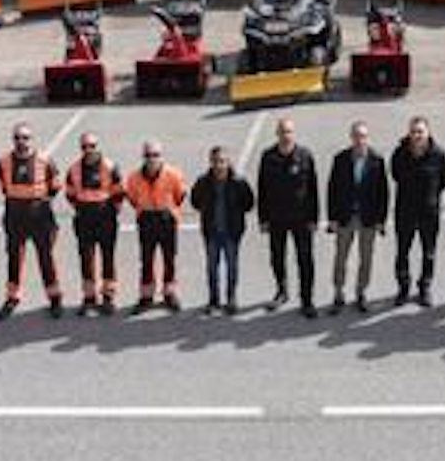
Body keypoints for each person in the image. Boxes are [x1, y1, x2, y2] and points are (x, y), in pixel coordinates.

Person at [0, 121, 64, 320]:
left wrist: (41, 201)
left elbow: (55, 185)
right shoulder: (4, 161)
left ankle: (54, 297)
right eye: (17, 137)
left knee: (45, 257)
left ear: (31, 139)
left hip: (39, 215)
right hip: (15, 214)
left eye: (25, 138)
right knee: (14, 258)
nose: (21, 141)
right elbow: (3, 186)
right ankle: (12, 296)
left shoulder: (45, 160)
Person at [258, 118, 321, 318]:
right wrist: (263, 219)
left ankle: (307, 299)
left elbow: (313, 188)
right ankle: (282, 291)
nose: (286, 135)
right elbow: (262, 188)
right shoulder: (268, 157)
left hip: (301, 218)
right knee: (277, 256)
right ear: (277, 134)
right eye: (282, 131)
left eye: (289, 131)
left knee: (305, 259)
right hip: (276, 217)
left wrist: (314, 218)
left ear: (293, 133)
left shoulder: (305, 155)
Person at [390, 115, 445, 308]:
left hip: (429, 214)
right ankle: (403, 287)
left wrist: (431, 197)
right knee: (402, 252)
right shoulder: (399, 153)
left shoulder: (438, 154)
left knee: (429, 253)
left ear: (428, 133)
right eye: (414, 131)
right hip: (405, 212)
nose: (417, 135)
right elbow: (395, 175)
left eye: (420, 131)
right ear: (409, 133)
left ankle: (424, 287)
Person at [327, 121, 389, 315]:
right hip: (345, 217)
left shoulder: (377, 160)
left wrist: (381, 220)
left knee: (366, 258)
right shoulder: (340, 159)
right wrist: (332, 218)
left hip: (368, 218)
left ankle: (361, 293)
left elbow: (383, 192)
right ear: (351, 137)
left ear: (367, 138)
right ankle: (338, 293)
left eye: (363, 136)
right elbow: (332, 189)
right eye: (356, 136)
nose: (359, 140)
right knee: (341, 258)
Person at [66, 131, 126, 316]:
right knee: (86, 259)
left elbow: (119, 193)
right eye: (84, 146)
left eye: (92, 146)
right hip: (84, 218)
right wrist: (82, 208)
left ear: (98, 146)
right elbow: (70, 194)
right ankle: (89, 297)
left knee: (108, 257)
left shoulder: (110, 166)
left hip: (105, 217)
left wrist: (111, 211)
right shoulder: (74, 169)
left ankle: (108, 297)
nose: (88, 150)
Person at [191, 146, 256, 316]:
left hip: (231, 232)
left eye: (222, 161)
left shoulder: (238, 182)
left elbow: (249, 203)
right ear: (210, 162)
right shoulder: (203, 182)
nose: (219, 165)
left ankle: (231, 298)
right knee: (212, 267)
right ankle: (214, 300)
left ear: (228, 162)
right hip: (211, 232)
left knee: (231, 266)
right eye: (215, 161)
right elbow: (195, 201)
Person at [127, 141, 187, 314]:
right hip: (146, 219)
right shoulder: (134, 177)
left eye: (155, 155)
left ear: (161, 156)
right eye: (148, 155)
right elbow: (132, 198)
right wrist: (144, 210)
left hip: (166, 218)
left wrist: (168, 210)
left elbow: (180, 195)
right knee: (146, 259)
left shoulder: (173, 174)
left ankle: (169, 293)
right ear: (143, 157)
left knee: (169, 258)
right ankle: (146, 296)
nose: (152, 159)